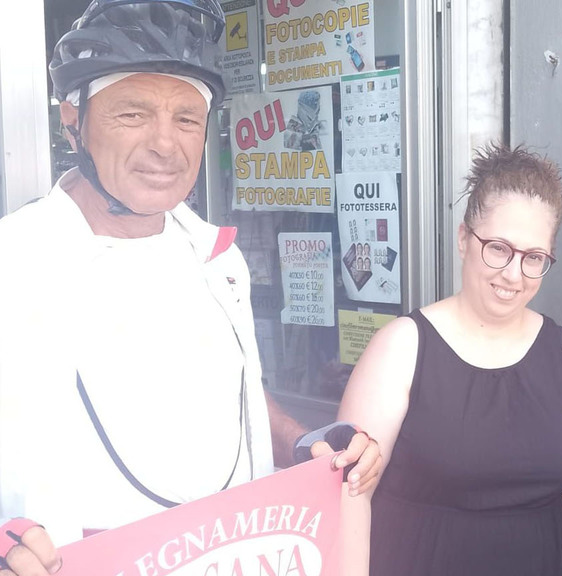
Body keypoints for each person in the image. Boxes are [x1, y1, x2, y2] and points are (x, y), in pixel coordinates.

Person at [0, 1, 380, 573]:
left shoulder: (216, 256)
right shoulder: (14, 262)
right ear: (73, 120)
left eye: (186, 119)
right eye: (133, 113)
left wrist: (306, 444)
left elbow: (236, 396)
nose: (165, 144)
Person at [336, 144, 562, 575]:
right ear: (464, 239)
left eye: (534, 257)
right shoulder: (401, 348)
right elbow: (349, 490)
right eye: (498, 248)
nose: (513, 274)